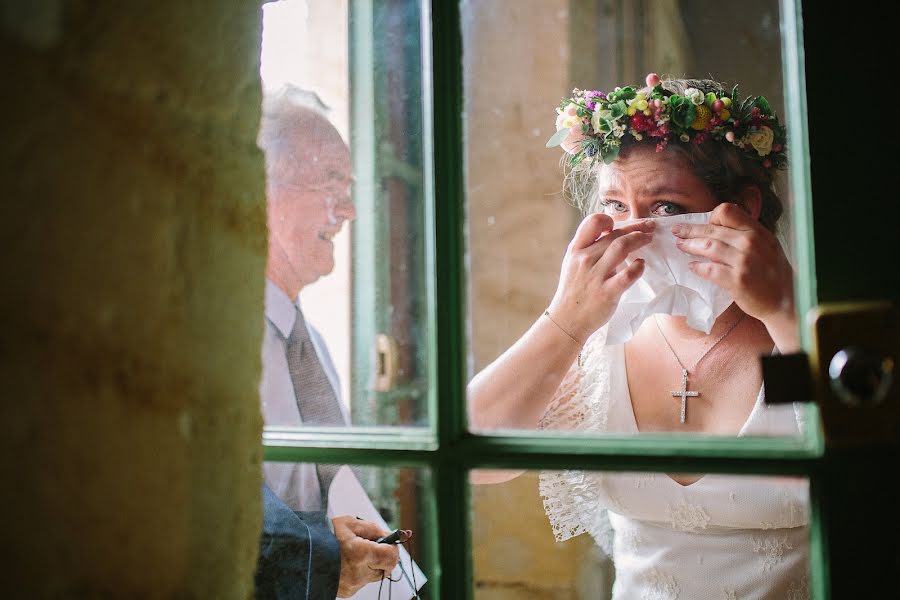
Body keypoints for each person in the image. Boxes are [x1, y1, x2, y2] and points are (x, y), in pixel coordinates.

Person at [468, 74, 809, 599]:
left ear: (742, 210)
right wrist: (567, 319)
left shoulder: (788, 344)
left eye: (665, 208)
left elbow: (863, 468)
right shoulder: (599, 347)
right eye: (616, 205)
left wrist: (784, 312)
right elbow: (473, 456)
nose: (634, 233)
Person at [255, 85, 399, 598]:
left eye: (350, 188)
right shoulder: (218, 341)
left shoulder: (308, 340)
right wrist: (320, 562)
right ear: (258, 189)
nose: (350, 211)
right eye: (330, 185)